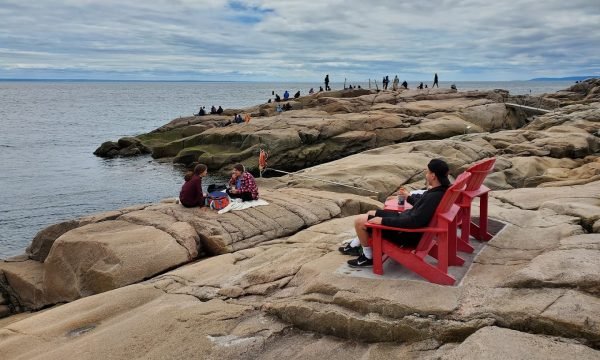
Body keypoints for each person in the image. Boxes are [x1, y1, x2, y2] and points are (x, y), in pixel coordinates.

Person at [340, 159, 452, 267]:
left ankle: (368, 257)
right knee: (371, 212)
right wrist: (408, 197)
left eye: (427, 172)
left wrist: (383, 221)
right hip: (406, 224)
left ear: (433, 176)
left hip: (405, 233)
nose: (426, 174)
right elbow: (422, 205)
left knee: (359, 221)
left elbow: (414, 221)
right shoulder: (440, 191)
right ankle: (356, 246)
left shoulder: (434, 196)